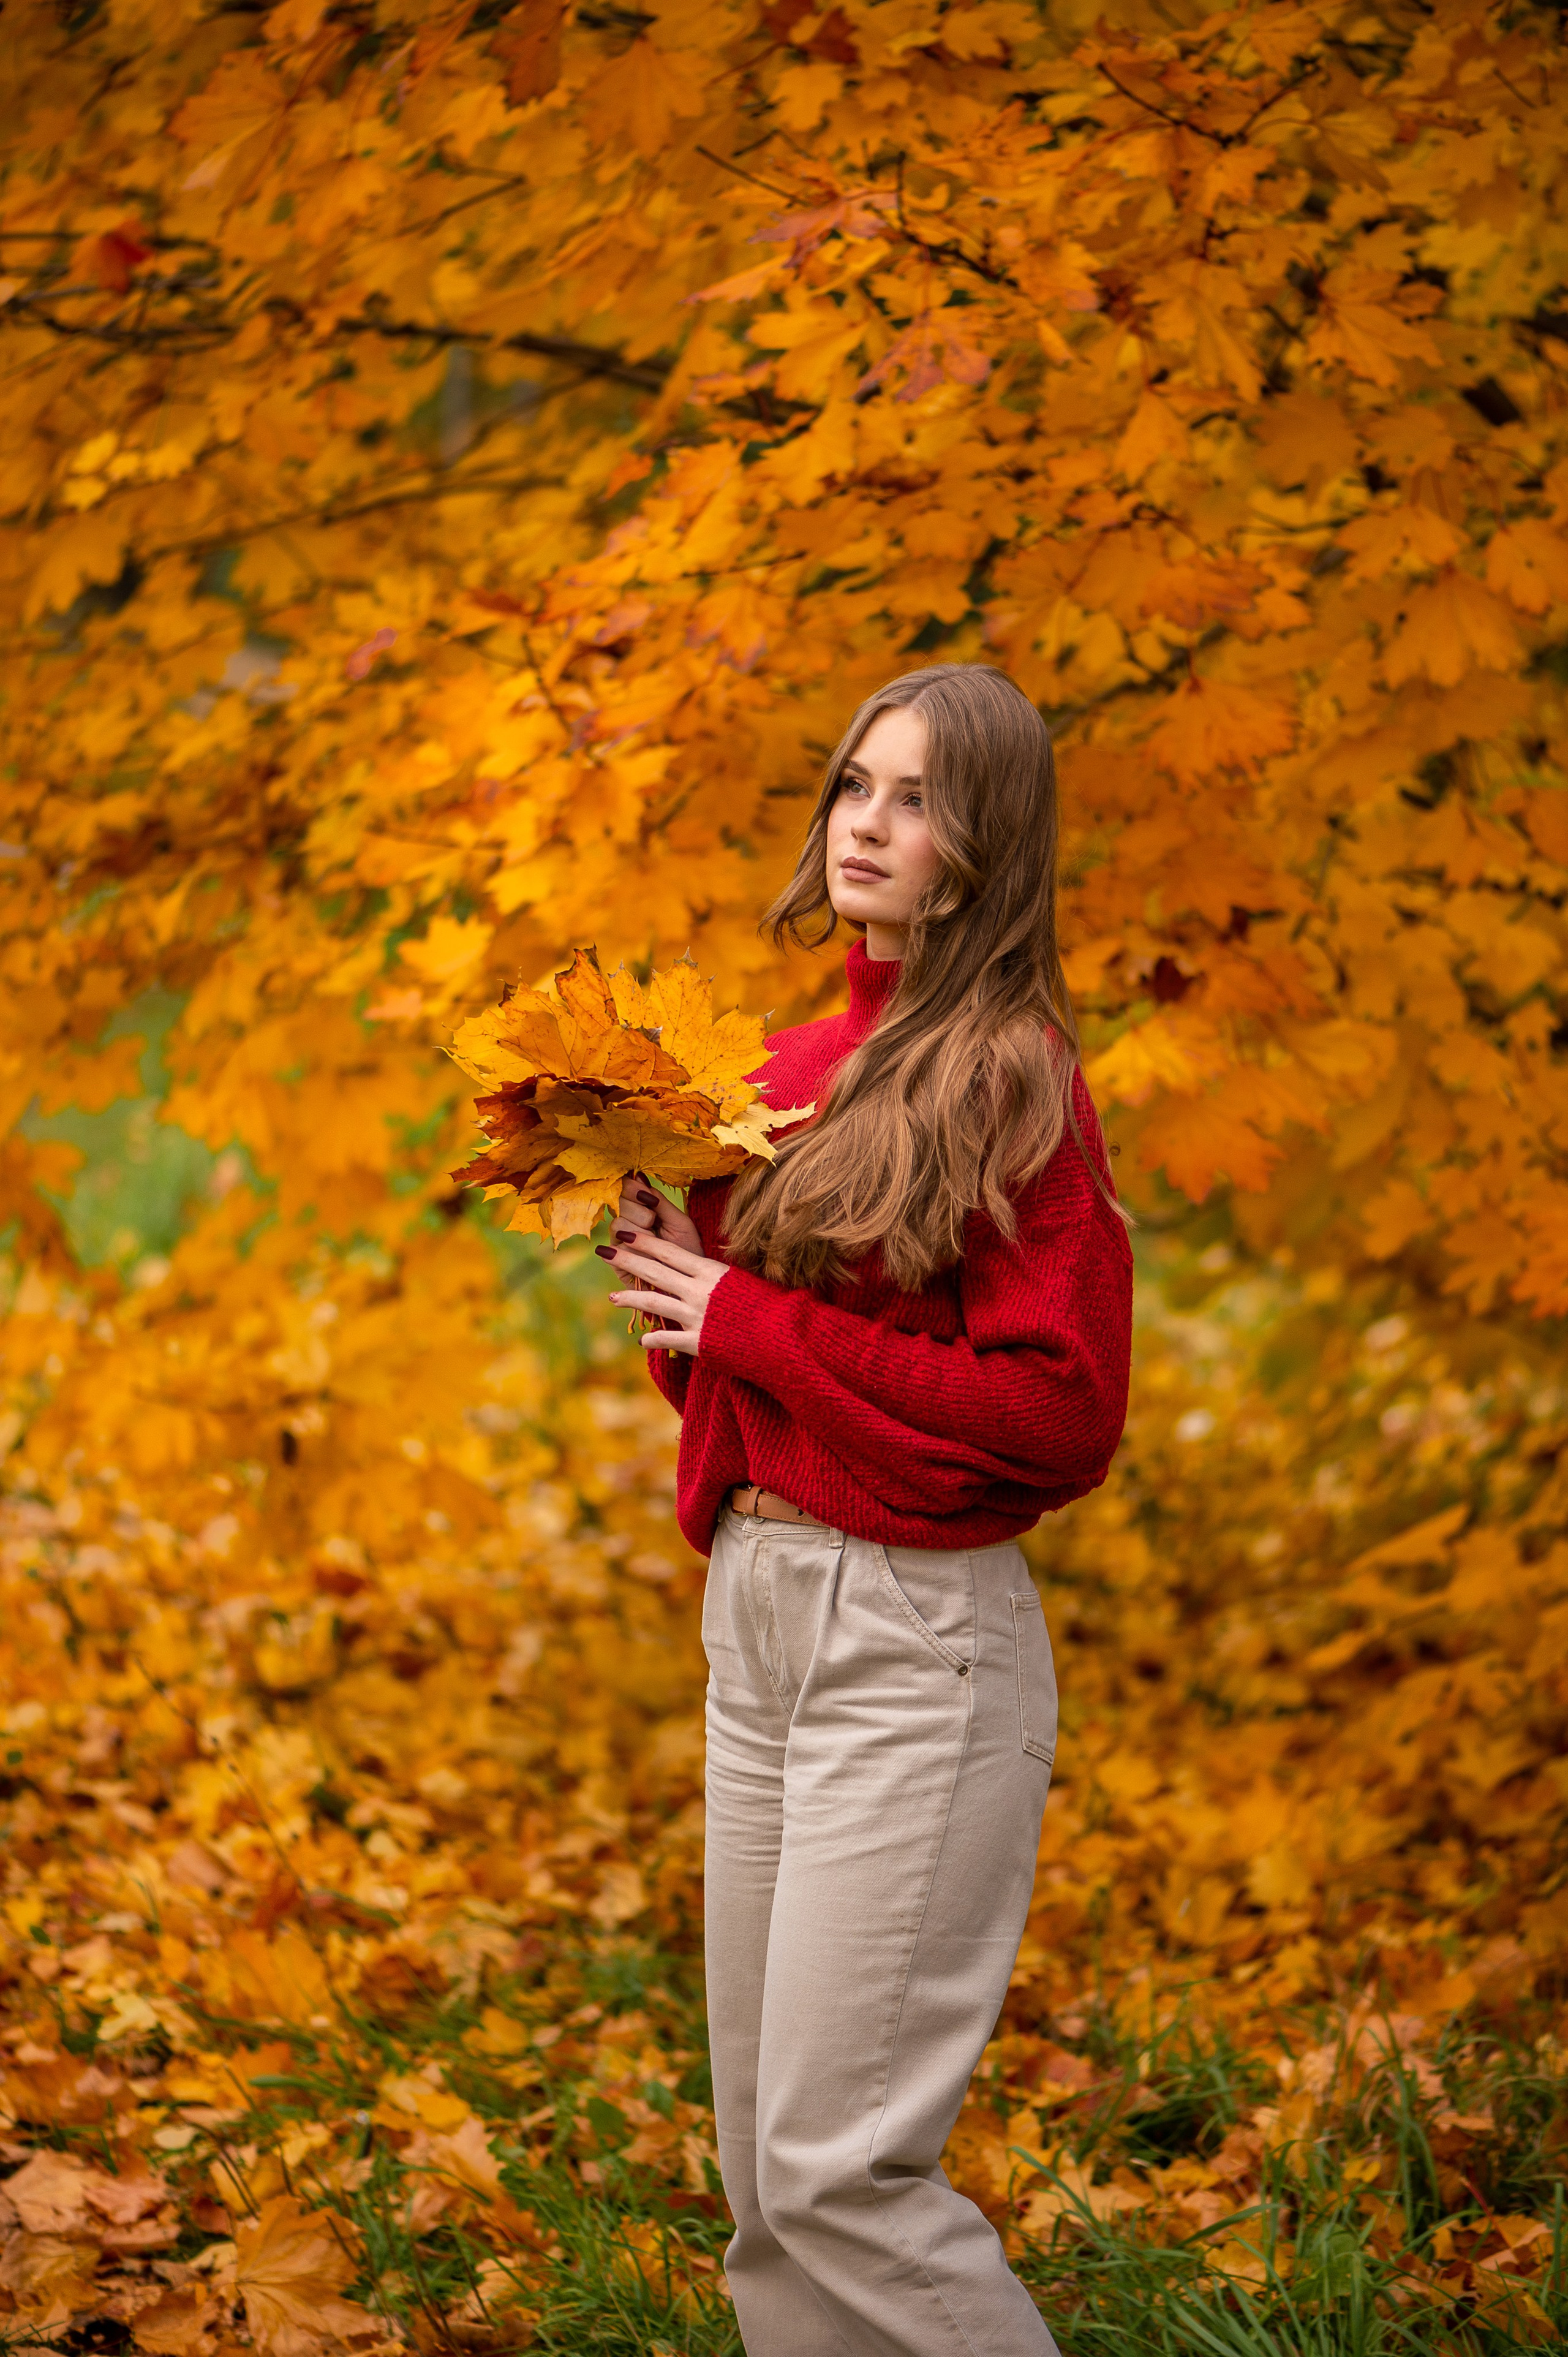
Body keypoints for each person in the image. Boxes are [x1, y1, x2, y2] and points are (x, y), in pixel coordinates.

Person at [597, 662, 1133, 2356]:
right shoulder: (774, 1071)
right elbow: (754, 1407)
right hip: (757, 1613)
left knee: (846, 2177)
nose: (869, 826)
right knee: (770, 2187)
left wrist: (750, 1315)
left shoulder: (1012, 1080)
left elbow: (1055, 1417)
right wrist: (686, 1286)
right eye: (854, 787)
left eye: (917, 798)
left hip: (914, 1644)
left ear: (989, 846)